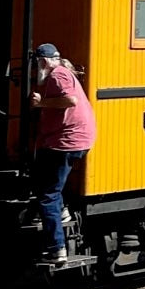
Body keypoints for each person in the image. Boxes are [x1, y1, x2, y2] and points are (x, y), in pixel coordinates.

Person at [31, 42, 97, 263]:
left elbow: (70, 100)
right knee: (47, 177)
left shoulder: (57, 76)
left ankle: (56, 249)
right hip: (73, 140)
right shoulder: (63, 71)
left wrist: (41, 104)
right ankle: (63, 211)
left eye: (36, 63)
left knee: (47, 195)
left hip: (67, 142)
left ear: (43, 62)